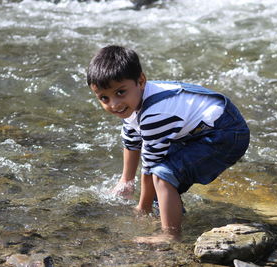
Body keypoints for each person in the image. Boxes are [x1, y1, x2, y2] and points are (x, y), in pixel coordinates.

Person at [86, 45, 250, 243]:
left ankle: (170, 235)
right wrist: (126, 182)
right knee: (159, 183)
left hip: (225, 133)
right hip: (198, 130)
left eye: (120, 92)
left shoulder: (155, 113)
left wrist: (142, 208)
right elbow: (131, 139)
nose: (113, 104)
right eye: (104, 98)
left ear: (141, 81)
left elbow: (150, 165)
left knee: (162, 176)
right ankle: (172, 215)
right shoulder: (133, 101)